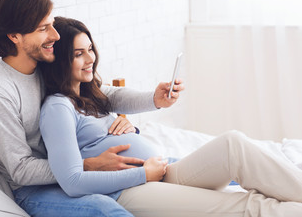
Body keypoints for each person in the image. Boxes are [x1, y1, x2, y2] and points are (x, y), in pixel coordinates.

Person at [39, 16, 302, 217]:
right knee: (246, 204)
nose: (90, 59)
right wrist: (143, 174)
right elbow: (73, 182)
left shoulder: (93, 94)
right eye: (78, 54)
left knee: (234, 145)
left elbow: (124, 107)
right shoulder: (58, 108)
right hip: (128, 190)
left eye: (90, 49)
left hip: (158, 172)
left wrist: (133, 129)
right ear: (60, 61)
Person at [0, 0, 179, 217]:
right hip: (35, 190)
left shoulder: (42, 65)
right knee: (103, 209)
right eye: (43, 28)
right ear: (14, 36)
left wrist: (153, 99)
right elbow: (21, 169)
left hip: (76, 175)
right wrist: (87, 164)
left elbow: (102, 94)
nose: (55, 36)